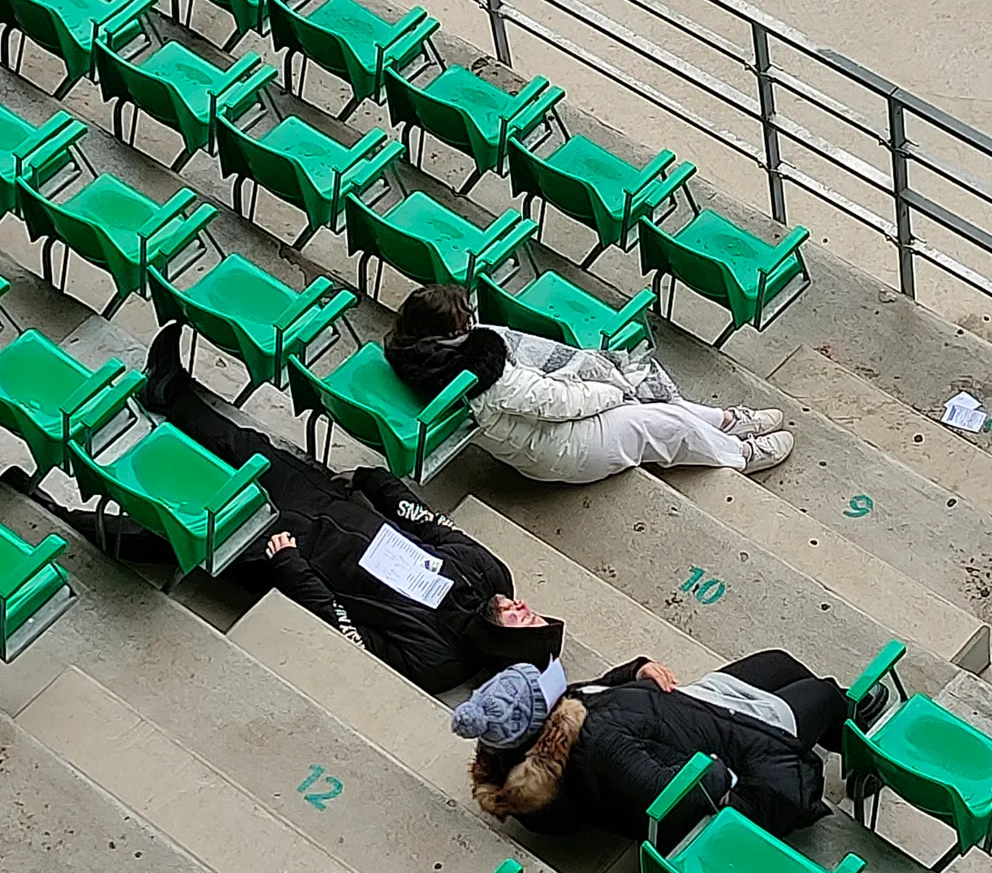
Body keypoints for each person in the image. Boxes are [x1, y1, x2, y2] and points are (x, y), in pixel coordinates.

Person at [3, 324, 530, 695]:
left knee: (174, 534)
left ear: (498, 650)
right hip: (331, 508)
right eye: (529, 613)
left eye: (520, 625)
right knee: (249, 446)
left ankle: (57, 513)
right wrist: (379, 483)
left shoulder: (437, 662)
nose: (520, 609)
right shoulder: (491, 576)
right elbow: (433, 529)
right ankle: (171, 393)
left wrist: (291, 568)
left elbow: (346, 629)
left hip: (293, 553)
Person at [451, 650, 888, 844]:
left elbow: (595, 689)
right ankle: (860, 759)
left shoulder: (554, 729)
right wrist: (719, 769)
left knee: (776, 664)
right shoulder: (603, 747)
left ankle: (841, 723)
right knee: (824, 694)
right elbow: (676, 794)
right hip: (738, 750)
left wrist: (637, 670)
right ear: (540, 721)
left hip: (695, 708)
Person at [384, 285, 794, 485]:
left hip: (546, 432)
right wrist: (614, 390)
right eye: (465, 322)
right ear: (447, 333)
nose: (474, 324)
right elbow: (560, 402)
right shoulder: (483, 378)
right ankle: (739, 453)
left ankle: (727, 421)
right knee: (658, 423)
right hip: (562, 449)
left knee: (654, 410)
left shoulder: (419, 357)